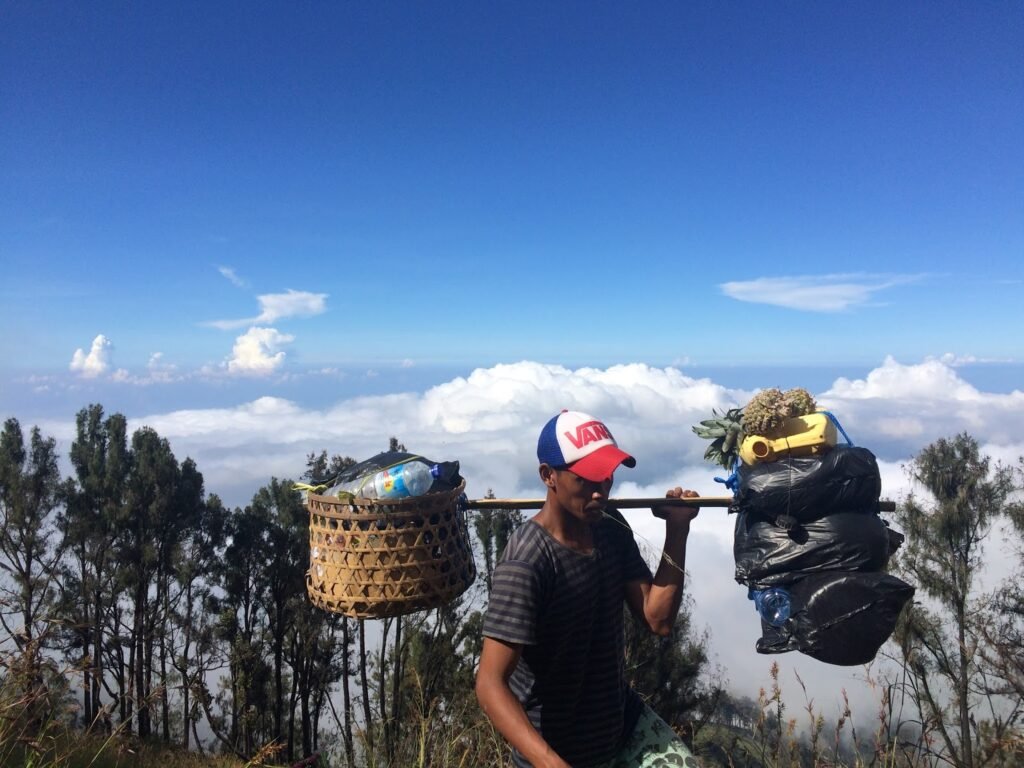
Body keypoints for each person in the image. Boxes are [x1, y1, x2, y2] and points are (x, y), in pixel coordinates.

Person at [476, 409, 701, 768]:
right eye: (585, 480)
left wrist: (678, 529)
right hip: (561, 752)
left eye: (607, 477)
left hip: (623, 729)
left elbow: (657, 619)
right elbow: (490, 684)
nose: (600, 492)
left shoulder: (609, 526)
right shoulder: (528, 561)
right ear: (548, 475)